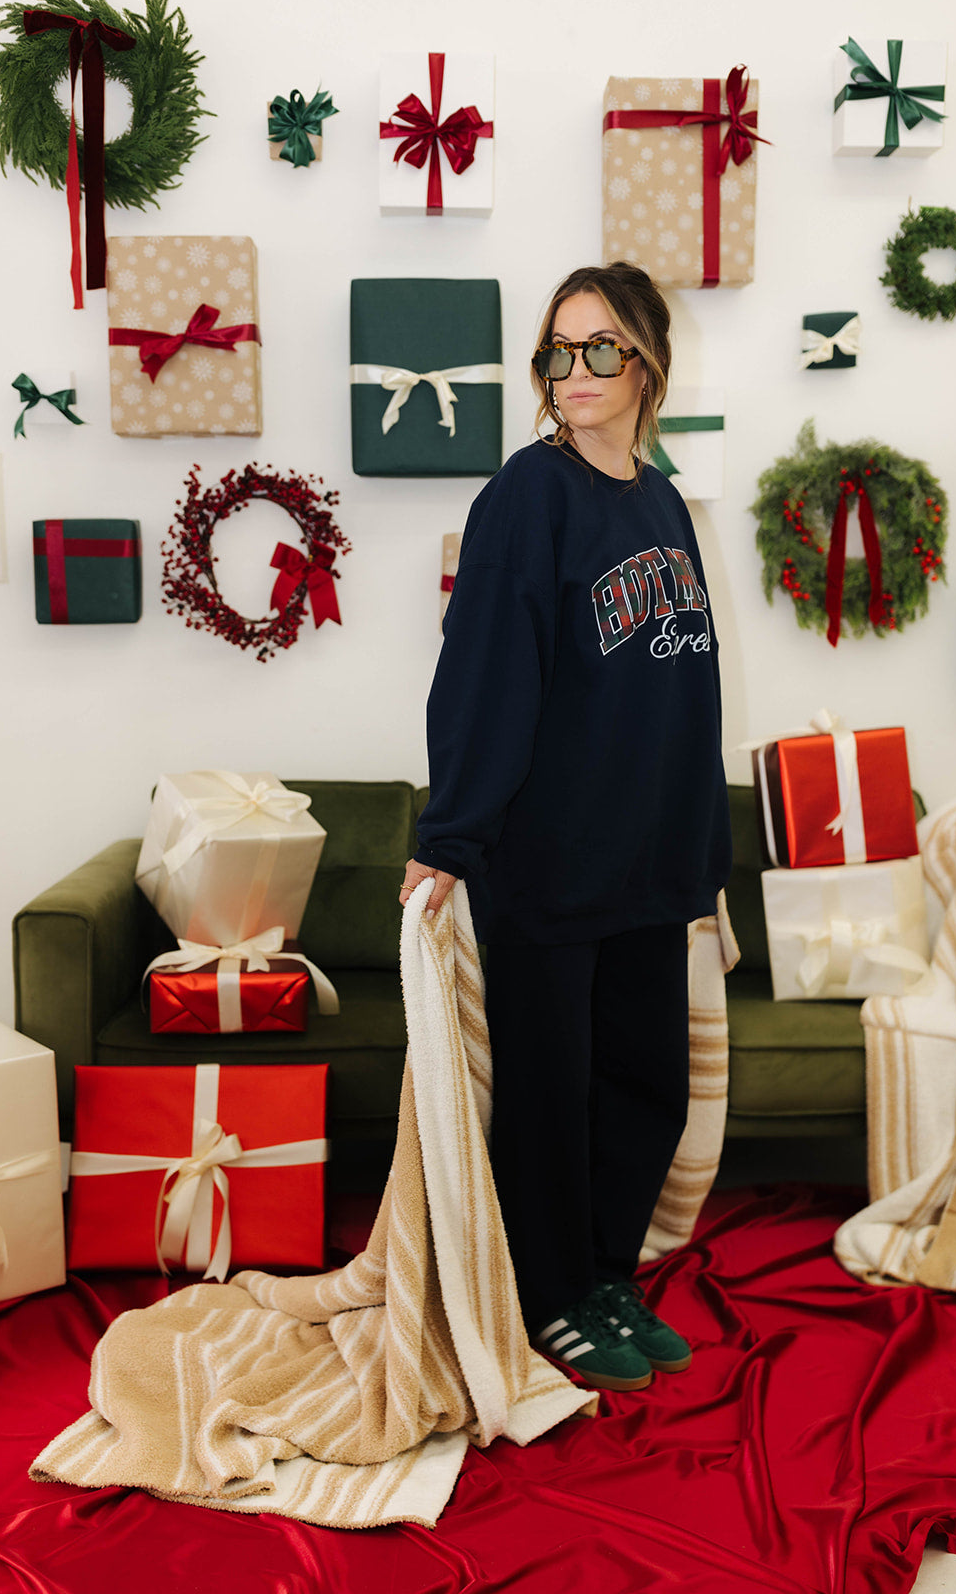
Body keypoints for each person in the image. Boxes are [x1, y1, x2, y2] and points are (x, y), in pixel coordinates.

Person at [400, 261, 732, 1393]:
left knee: (646, 1083)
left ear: (645, 361)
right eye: (557, 350)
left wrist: (703, 851)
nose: (573, 372)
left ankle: (603, 1274)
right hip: (548, 859)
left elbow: (690, 689)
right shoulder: (524, 497)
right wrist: (451, 835)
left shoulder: (658, 498)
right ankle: (549, 1295)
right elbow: (483, 675)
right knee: (550, 1093)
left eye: (599, 348)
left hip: (648, 861)